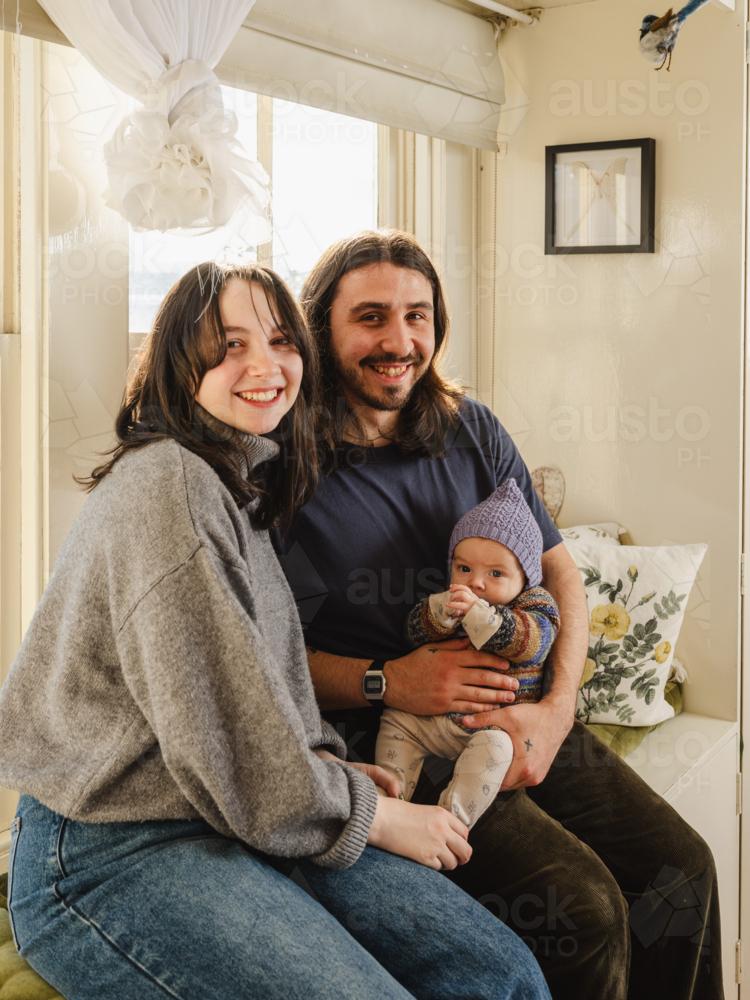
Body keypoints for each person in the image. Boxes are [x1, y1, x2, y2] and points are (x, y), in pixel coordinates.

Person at [0, 262, 551, 1000]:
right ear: (177, 365)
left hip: (235, 813)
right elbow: (228, 734)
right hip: (111, 847)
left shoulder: (238, 481)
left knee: (501, 976)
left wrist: (329, 768)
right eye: (228, 346)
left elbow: (263, 696)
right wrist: (379, 815)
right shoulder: (171, 485)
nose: (264, 366)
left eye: (281, 340)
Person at [274, 229, 723, 1000]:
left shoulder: (467, 428)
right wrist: (392, 681)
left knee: (681, 870)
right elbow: (263, 657)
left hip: (517, 712)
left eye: (418, 316)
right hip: (396, 740)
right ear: (323, 328)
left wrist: (555, 710)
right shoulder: (281, 466)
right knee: (582, 911)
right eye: (372, 317)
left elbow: (560, 572)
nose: (399, 340)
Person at [375, 479, 560, 828]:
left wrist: (482, 617)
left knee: (498, 751)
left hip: (490, 727)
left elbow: (533, 644)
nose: (475, 582)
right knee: (396, 720)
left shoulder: (535, 603)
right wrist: (438, 615)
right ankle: (390, 793)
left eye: (495, 573)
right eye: (464, 569)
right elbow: (413, 631)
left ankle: (454, 818)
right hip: (434, 719)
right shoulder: (454, 599)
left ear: (526, 576)